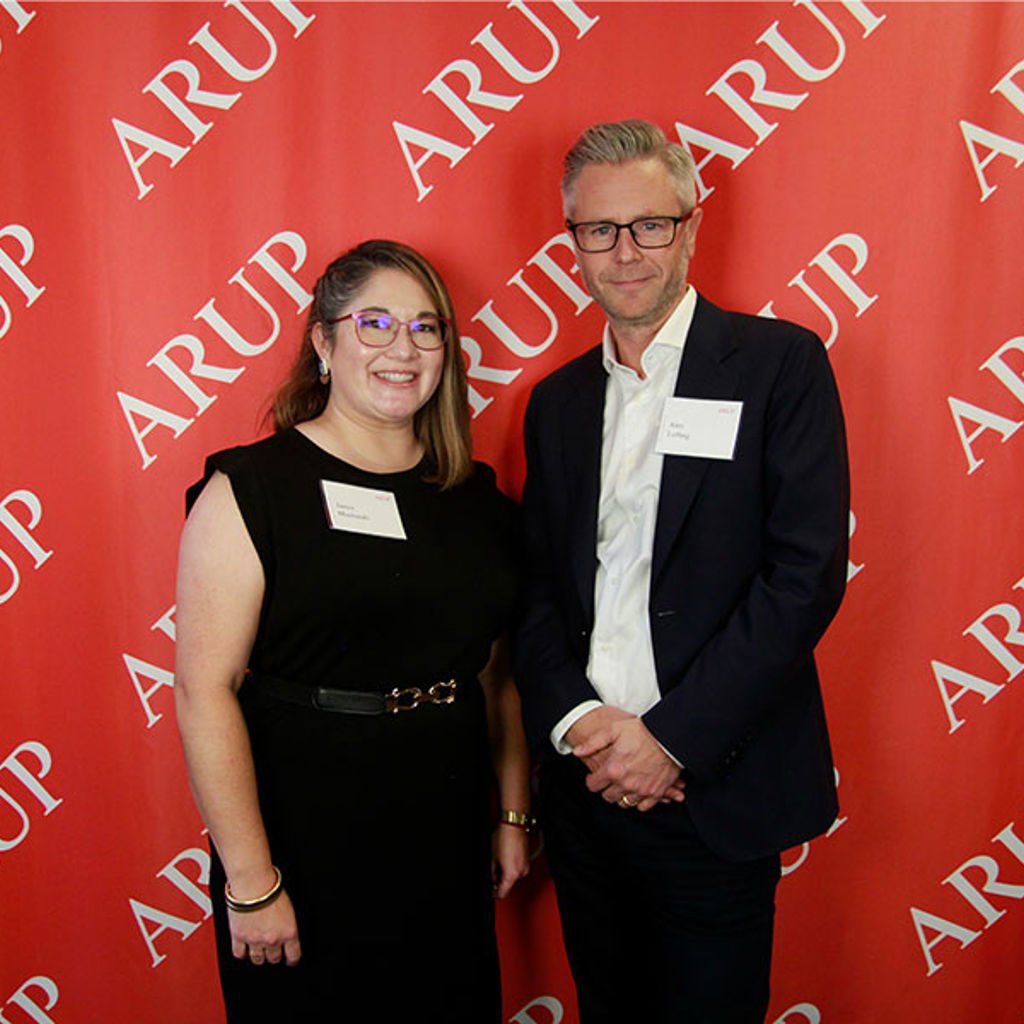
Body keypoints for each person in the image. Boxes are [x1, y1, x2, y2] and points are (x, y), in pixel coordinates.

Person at [514, 120, 850, 1022]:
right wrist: (585, 725)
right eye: (599, 230)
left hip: (714, 792)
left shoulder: (780, 366)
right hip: (587, 795)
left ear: (692, 227)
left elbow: (804, 574)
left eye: (650, 225)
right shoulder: (555, 404)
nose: (625, 253)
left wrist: (668, 741)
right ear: (574, 240)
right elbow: (536, 587)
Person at [174, 239, 531, 1022]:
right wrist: (252, 879)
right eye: (373, 323)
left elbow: (498, 676)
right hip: (305, 834)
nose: (402, 348)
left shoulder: (478, 502)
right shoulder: (252, 490)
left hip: (443, 825)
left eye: (426, 327)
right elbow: (205, 693)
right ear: (323, 341)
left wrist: (511, 815)